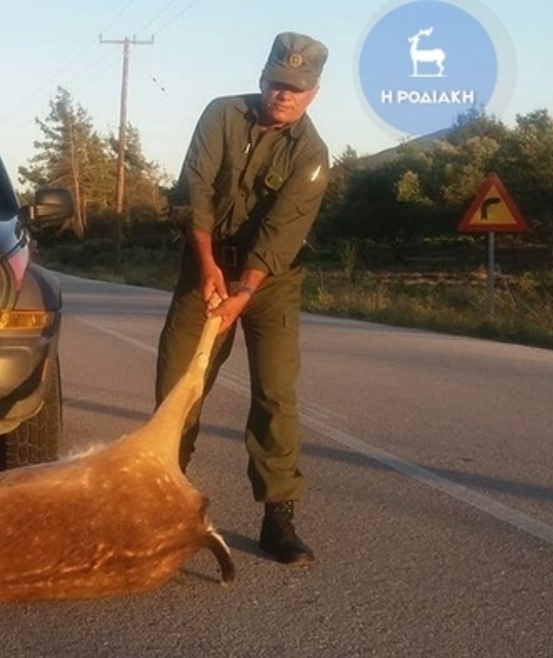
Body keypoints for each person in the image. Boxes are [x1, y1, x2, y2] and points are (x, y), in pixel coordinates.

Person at [155, 32, 329, 567]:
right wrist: (208, 266)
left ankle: (279, 517)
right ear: (262, 79)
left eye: (296, 88)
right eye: (278, 83)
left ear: (313, 93)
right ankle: (164, 509)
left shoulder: (312, 155)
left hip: (270, 281)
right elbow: (196, 190)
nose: (284, 94)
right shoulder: (221, 114)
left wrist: (243, 292)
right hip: (205, 264)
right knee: (178, 388)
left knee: (275, 393)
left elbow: (280, 234)